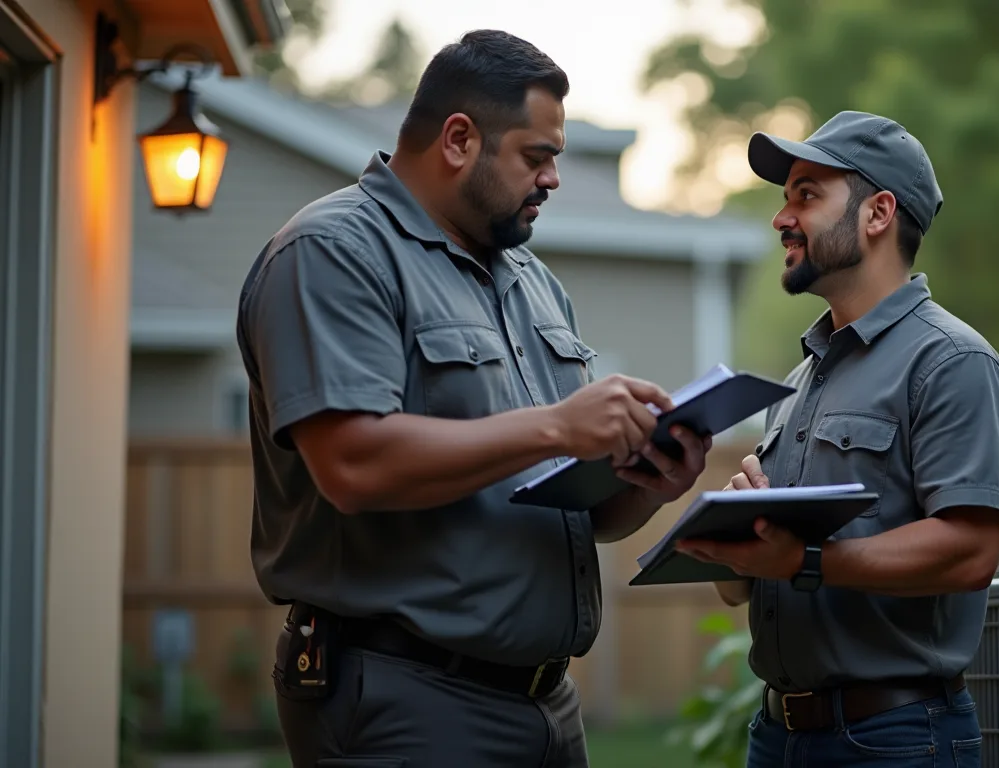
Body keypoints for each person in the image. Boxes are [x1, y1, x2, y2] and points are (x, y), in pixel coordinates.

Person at [234, 30, 711, 767]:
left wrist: (652, 481)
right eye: (537, 156)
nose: (552, 178)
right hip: (406, 699)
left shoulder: (531, 282)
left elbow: (578, 507)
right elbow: (352, 465)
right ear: (459, 139)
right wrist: (556, 425)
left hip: (548, 704)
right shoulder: (332, 252)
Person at [676, 111, 999, 767]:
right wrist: (737, 540)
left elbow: (971, 550)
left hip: (895, 739)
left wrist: (802, 560)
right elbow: (758, 579)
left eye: (807, 195)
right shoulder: (800, 381)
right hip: (777, 736)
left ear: (878, 213)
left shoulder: (953, 364)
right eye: (786, 199)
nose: (783, 217)